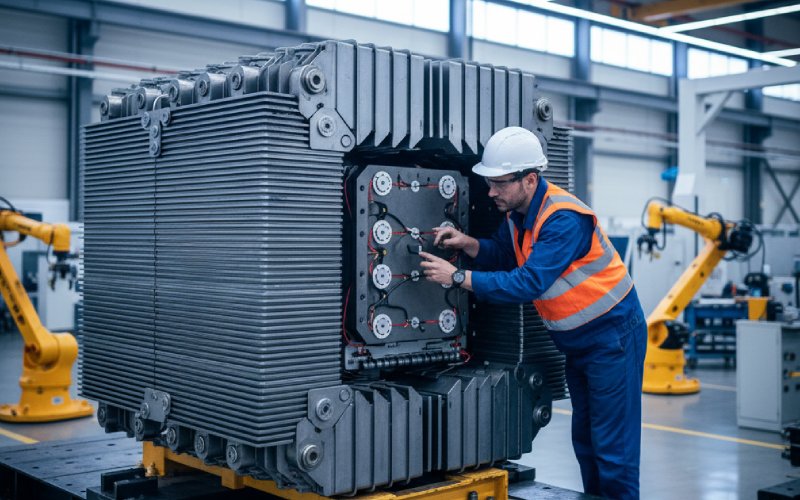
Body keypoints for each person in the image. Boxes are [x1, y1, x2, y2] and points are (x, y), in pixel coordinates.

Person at [419, 126, 647, 500]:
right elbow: (506, 255)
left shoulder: (563, 219)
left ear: (530, 178)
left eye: (499, 183)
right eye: (489, 183)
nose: (491, 192)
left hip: (613, 339)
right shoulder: (518, 212)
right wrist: (469, 244)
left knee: (614, 452)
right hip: (580, 345)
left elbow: (528, 282)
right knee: (587, 444)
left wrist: (457, 276)